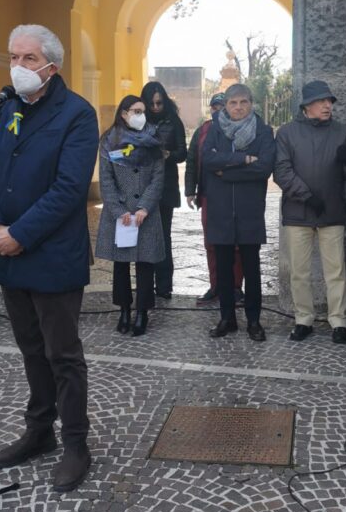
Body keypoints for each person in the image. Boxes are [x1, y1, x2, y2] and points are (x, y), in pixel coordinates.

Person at [0, 24, 98, 493]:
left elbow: (69, 189)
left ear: (51, 64)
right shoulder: (6, 107)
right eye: (13, 57)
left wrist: (20, 235)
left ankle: (75, 442)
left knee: (62, 354)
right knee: (31, 351)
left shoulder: (76, 114)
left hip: (51, 255)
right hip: (8, 252)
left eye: (28, 59)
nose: (18, 67)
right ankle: (39, 431)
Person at [274, 80, 346, 344]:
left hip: (332, 211)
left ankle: (339, 321)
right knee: (299, 271)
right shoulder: (287, 133)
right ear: (306, 106)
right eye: (321, 101)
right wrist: (307, 196)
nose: (327, 105)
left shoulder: (342, 132)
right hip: (297, 212)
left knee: (335, 270)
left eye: (330, 101)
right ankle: (303, 318)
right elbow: (281, 170)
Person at [202, 83, 276, 341]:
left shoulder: (264, 132)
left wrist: (226, 170)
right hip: (221, 211)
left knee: (252, 269)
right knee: (223, 270)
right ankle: (227, 319)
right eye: (233, 103)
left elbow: (265, 168)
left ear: (251, 104)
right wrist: (243, 159)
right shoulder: (214, 129)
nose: (238, 107)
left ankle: (254, 321)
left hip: (249, 211)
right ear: (226, 105)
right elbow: (207, 161)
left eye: (243, 102)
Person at [95, 95, 165, 337]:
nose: (141, 115)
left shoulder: (153, 140)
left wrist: (144, 207)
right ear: (123, 113)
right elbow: (106, 179)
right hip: (121, 212)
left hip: (146, 213)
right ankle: (124, 310)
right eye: (136, 111)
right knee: (121, 265)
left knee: (146, 265)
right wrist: (118, 210)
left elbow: (158, 178)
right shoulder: (108, 140)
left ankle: (142, 312)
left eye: (142, 111)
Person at [185, 91, 243, 306]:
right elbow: (192, 161)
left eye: (221, 107)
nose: (218, 111)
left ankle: (236, 287)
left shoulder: (240, 128)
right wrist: (190, 190)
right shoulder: (202, 130)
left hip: (233, 194)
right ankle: (216, 285)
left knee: (236, 243)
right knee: (211, 243)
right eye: (214, 107)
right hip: (209, 195)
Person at [140, 81, 186, 299]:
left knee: (164, 235)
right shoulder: (139, 120)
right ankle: (146, 283)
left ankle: (164, 285)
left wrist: (168, 155)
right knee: (145, 236)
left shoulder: (173, 121)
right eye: (152, 104)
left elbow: (183, 153)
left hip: (166, 185)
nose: (156, 107)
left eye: (159, 102)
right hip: (144, 184)